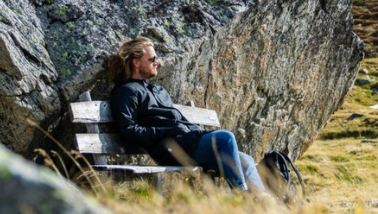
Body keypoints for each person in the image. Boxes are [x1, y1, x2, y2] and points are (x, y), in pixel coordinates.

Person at [106, 36, 268, 194]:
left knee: (245, 160)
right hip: (171, 150)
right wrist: (167, 131)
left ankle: (263, 201)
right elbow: (129, 130)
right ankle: (241, 192)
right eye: (152, 59)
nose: (157, 62)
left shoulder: (158, 90)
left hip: (188, 142)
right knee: (225, 138)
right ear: (136, 62)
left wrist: (187, 130)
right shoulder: (126, 92)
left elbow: (174, 121)